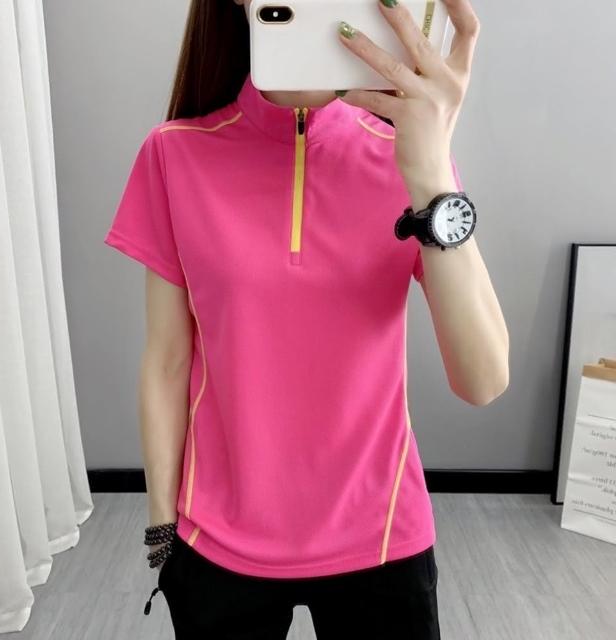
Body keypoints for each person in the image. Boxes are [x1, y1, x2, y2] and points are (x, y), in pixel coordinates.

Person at [104, 1, 507, 638]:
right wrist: (162, 531)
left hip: (381, 537)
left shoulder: (409, 158)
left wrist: (432, 170)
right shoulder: (174, 154)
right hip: (216, 544)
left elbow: (483, 381)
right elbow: (167, 361)